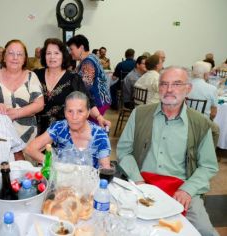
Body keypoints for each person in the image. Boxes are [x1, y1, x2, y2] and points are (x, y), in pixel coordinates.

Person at [117, 66, 219, 236]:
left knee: (205, 231)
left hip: (181, 187)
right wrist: (138, 181)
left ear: (188, 89)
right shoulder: (140, 114)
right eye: (164, 84)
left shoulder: (200, 124)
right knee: (123, 225)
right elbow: (124, 151)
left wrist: (188, 190)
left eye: (177, 84)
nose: (169, 89)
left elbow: (208, 166)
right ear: (159, 87)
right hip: (143, 182)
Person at [34, 38, 111, 135]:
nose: (52, 57)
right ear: (44, 56)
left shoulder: (73, 78)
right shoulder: (35, 75)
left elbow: (87, 101)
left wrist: (99, 117)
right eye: (48, 53)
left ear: (63, 56)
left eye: (56, 53)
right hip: (36, 130)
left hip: (63, 132)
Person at [25, 91, 111, 169]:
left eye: (80, 111)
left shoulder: (99, 135)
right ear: (65, 112)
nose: (74, 117)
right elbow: (30, 149)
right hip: (62, 180)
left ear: (88, 113)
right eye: (70, 111)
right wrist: (56, 164)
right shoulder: (59, 127)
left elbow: (105, 168)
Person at [0, 39, 44, 144]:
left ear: (24, 59)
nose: (15, 58)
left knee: (26, 161)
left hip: (27, 136)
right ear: (4, 57)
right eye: (11, 53)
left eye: (19, 54)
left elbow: (39, 104)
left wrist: (17, 113)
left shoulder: (31, 76)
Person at [67, 35, 111, 121]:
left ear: (81, 48)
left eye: (72, 49)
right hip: (101, 100)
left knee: (91, 131)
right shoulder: (92, 57)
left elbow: (84, 86)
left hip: (97, 103)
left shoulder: (88, 63)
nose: (70, 52)